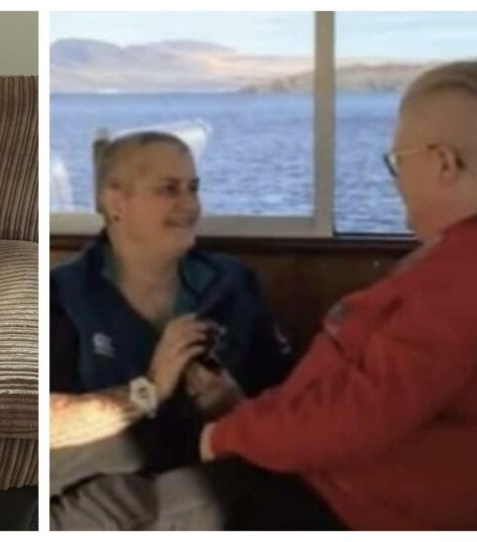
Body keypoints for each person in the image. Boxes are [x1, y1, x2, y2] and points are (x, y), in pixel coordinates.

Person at [197, 61, 477, 529]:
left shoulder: (471, 276)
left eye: (399, 161)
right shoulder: (466, 260)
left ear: (443, 163)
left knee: (103, 510)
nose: (394, 181)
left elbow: (360, 414)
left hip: (341, 504)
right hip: (317, 471)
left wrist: (227, 435)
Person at [49, 130, 296, 529]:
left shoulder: (231, 285)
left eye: (193, 188)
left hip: (210, 483)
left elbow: (290, 404)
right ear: (117, 203)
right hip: (100, 494)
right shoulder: (62, 297)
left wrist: (236, 401)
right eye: (169, 190)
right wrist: (151, 388)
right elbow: (42, 428)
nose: (189, 205)